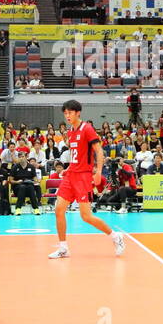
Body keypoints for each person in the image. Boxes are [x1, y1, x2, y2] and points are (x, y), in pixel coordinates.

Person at [48, 100, 126, 258]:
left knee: (86, 216)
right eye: (65, 113)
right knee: (59, 209)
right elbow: (77, 156)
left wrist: (97, 172)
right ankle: (63, 248)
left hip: (83, 177)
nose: (67, 116)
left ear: (78, 113)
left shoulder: (87, 129)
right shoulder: (70, 131)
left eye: (70, 112)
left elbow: (99, 151)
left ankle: (115, 236)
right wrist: (68, 169)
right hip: (71, 176)